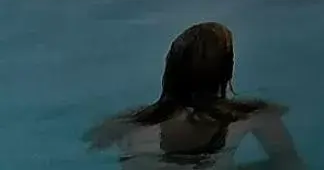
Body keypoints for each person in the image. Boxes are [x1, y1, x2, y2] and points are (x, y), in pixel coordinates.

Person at [85, 22, 303, 168]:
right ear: (226, 71)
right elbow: (290, 165)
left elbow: (94, 144)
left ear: (170, 70)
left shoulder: (126, 122)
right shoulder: (254, 115)